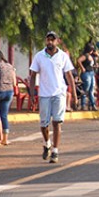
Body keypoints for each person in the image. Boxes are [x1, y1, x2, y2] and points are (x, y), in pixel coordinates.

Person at [29, 31, 77, 164]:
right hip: (44, 94)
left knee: (57, 122)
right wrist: (32, 93)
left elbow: (69, 76)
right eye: (48, 39)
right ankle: (47, 143)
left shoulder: (62, 56)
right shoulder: (39, 56)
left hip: (59, 93)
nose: (50, 42)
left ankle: (55, 151)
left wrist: (74, 95)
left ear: (58, 41)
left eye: (52, 40)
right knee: (44, 124)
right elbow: (33, 75)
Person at [77, 42, 98, 111]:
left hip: (91, 72)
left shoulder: (91, 56)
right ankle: (83, 104)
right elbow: (79, 60)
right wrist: (82, 68)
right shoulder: (85, 56)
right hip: (86, 73)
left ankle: (92, 104)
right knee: (86, 89)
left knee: (91, 89)